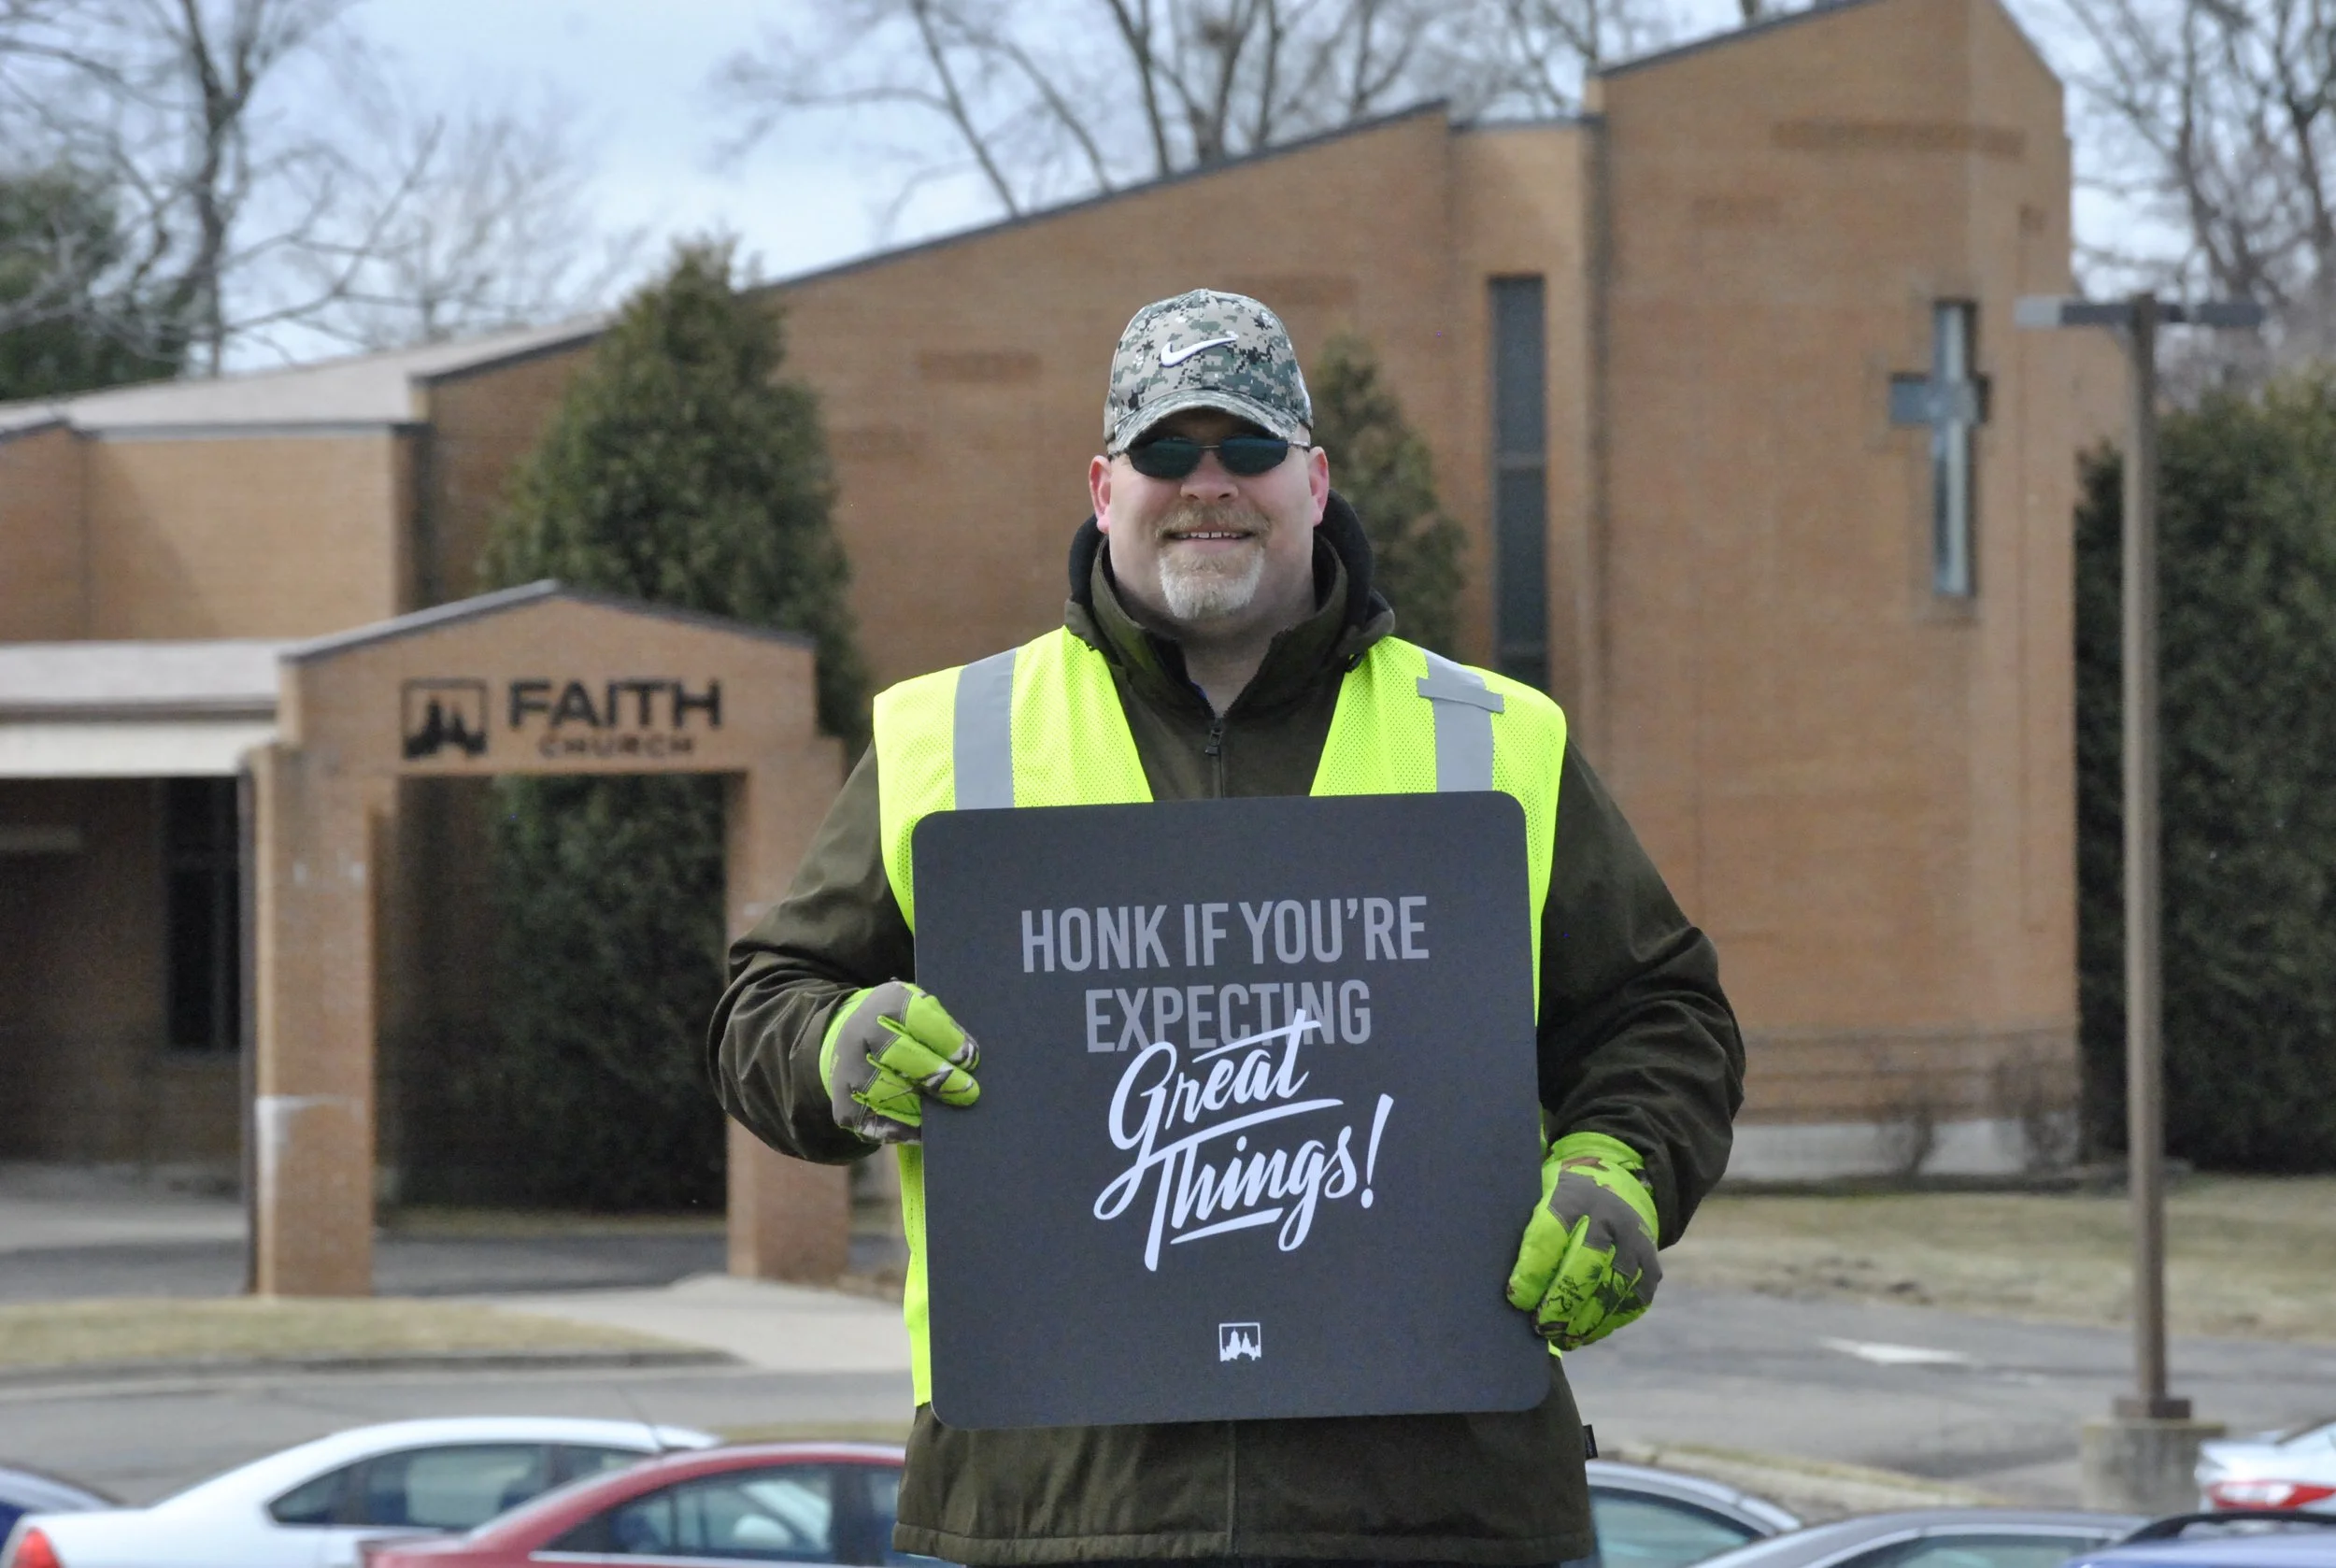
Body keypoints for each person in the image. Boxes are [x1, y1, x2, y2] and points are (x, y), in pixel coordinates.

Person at [708, 289, 1743, 1568]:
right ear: (1104, 488)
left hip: (1440, 1509)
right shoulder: (948, 738)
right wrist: (831, 1044)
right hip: (1050, 1510)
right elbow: (766, 998)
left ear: (1313, 480)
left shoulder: (1496, 739)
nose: (1210, 485)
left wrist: (1622, 1165)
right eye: (1167, 451)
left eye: (1248, 447)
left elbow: (1660, 1012)